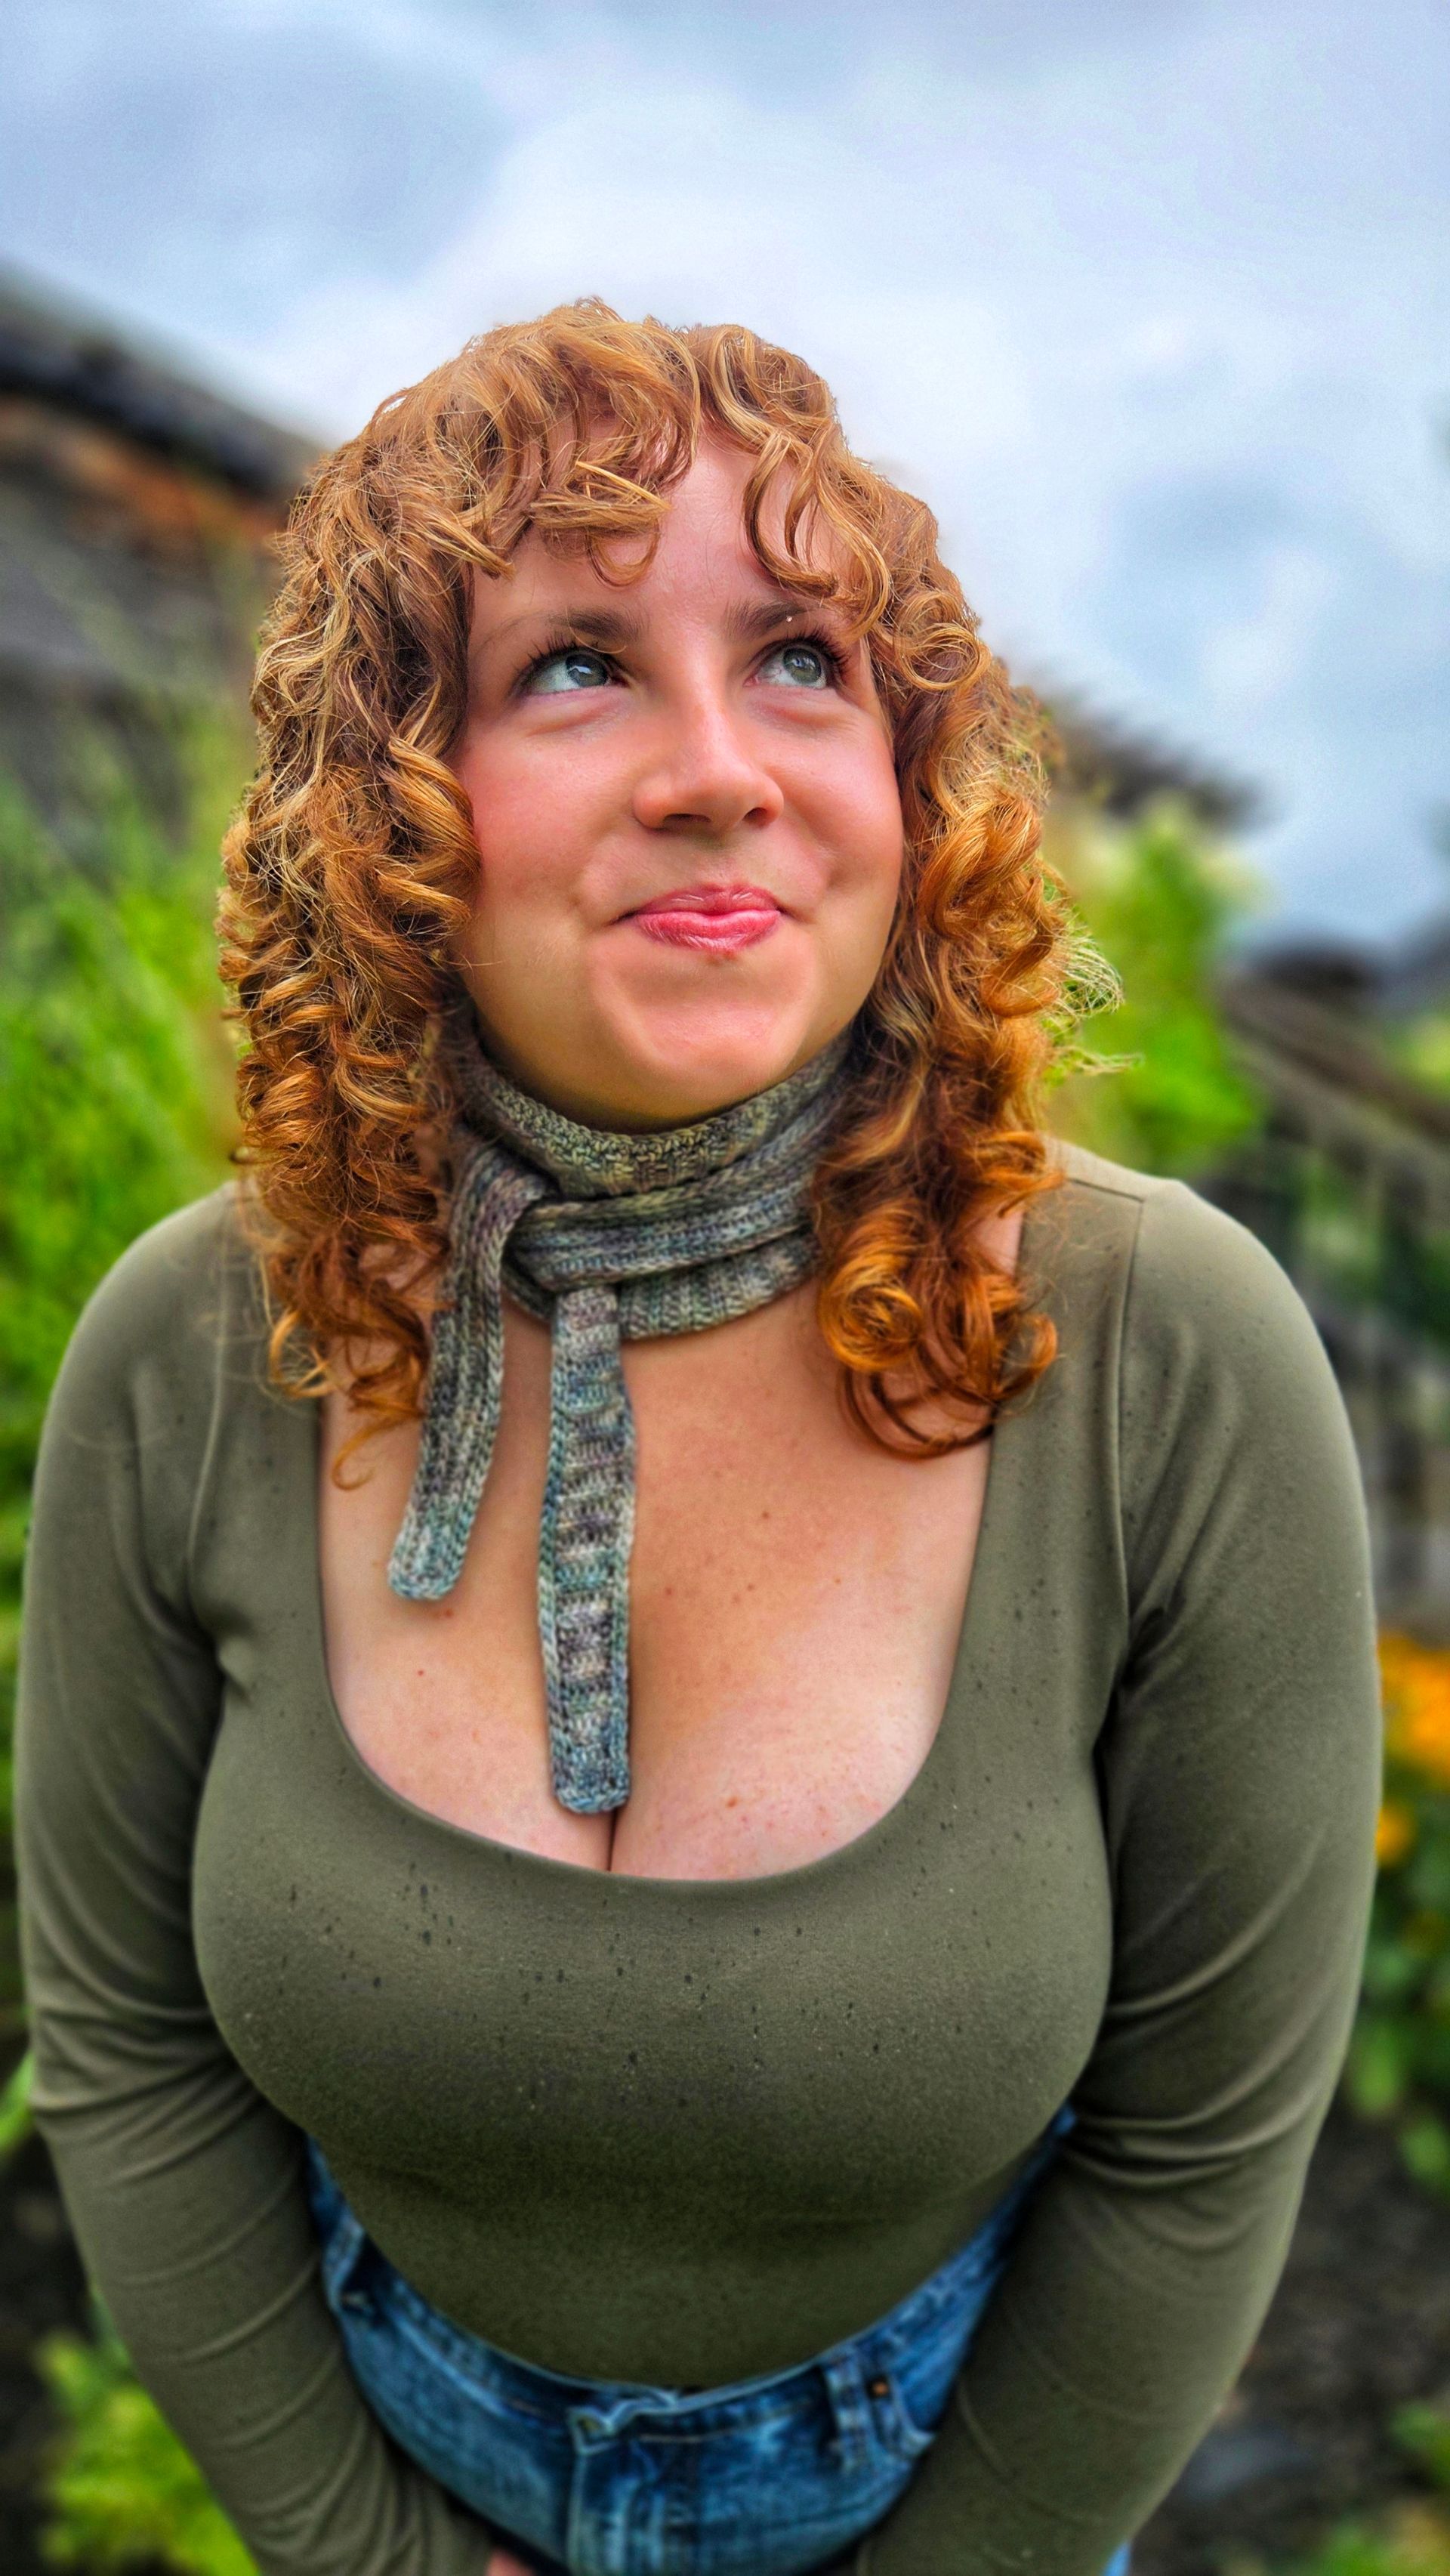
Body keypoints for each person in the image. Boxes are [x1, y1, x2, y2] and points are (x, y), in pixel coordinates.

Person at [15, 302, 1381, 2576]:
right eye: (574, 663)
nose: (719, 767)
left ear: (907, 769)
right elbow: (132, 2049)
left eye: (803, 661)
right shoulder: (198, 1349)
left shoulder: (1166, 1354)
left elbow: (1200, 2145)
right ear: (394, 801)